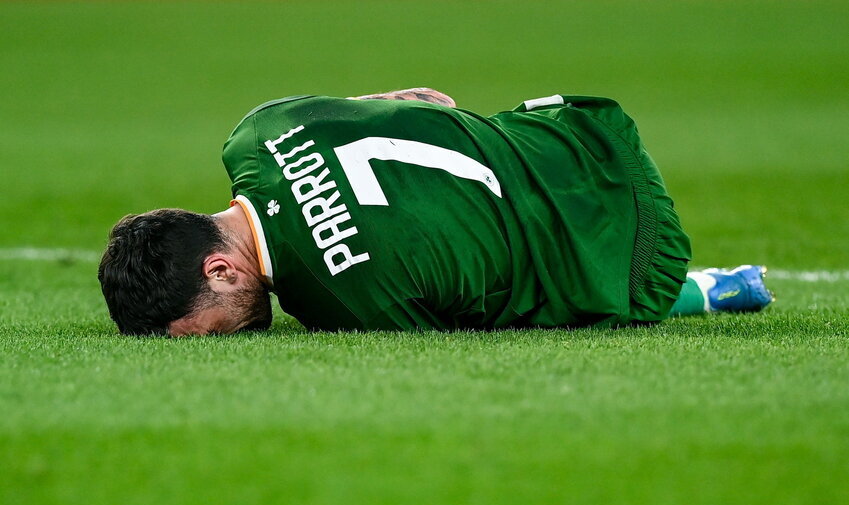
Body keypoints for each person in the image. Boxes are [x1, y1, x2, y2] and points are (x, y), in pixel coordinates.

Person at [98, 88, 773, 336]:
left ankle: (709, 289)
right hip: (587, 128)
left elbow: (485, 316)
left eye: (208, 333)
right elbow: (424, 98)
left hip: (639, 255)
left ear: (220, 269)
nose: (228, 340)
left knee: (530, 302)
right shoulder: (256, 131)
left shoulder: (340, 304)